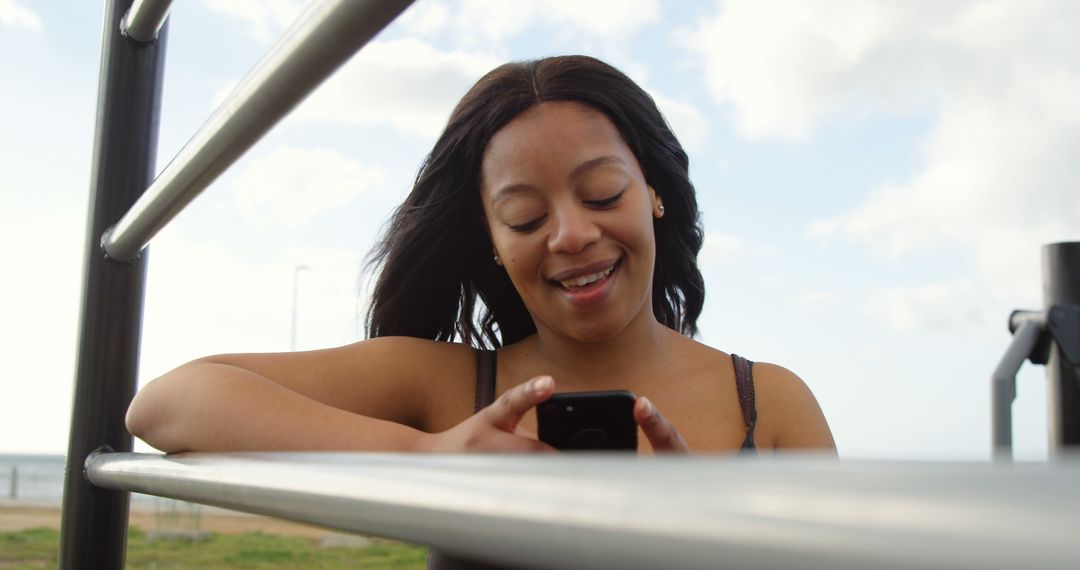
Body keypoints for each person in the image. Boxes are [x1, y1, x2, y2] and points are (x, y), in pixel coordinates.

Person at [126, 54, 835, 567]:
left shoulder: (767, 403)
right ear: (492, 242)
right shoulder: (446, 385)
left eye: (601, 194)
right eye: (525, 218)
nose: (571, 235)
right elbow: (168, 405)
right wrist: (426, 454)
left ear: (654, 193)